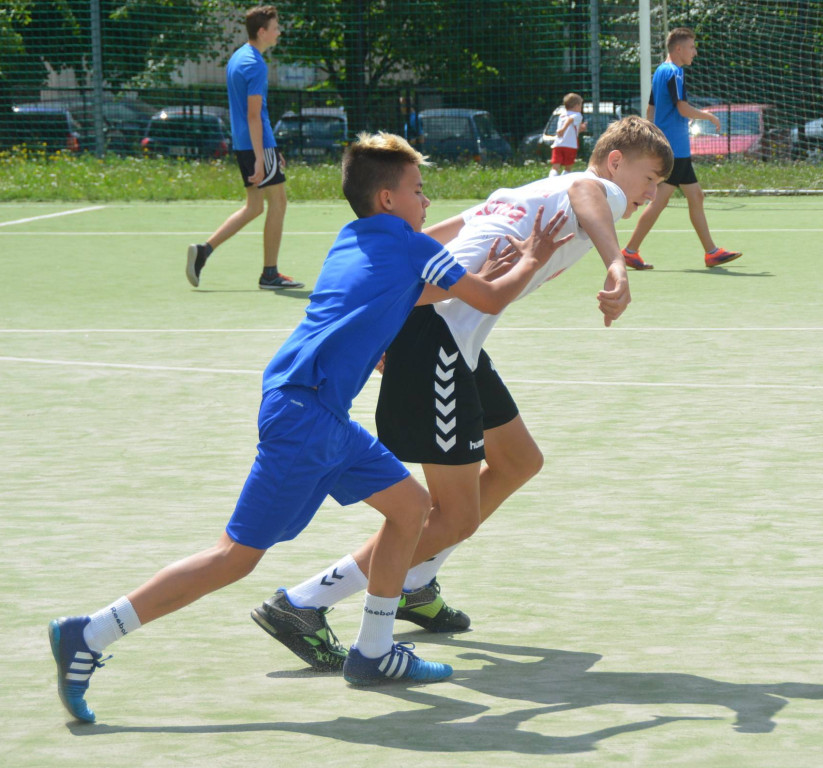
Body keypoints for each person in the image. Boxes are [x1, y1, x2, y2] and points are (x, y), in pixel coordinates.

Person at [48, 132, 573, 723]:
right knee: (234, 557)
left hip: (310, 409)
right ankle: (89, 633)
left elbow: (396, 298)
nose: (427, 200)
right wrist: (530, 256)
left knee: (410, 510)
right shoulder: (409, 243)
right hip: (307, 416)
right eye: (418, 190)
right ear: (387, 199)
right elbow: (491, 295)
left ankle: (374, 651)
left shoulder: (351, 239)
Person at [250, 116, 674, 668]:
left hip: (450, 340)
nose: (650, 192)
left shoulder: (522, 192)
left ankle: (416, 582)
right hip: (439, 345)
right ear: (616, 162)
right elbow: (588, 190)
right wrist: (617, 262)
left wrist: (389, 313)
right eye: (649, 177)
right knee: (451, 516)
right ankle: (304, 601)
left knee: (519, 460)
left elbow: (434, 235)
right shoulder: (592, 189)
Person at [186, 5, 303, 290]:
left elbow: (251, 116)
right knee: (278, 202)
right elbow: (254, 115)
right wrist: (263, 158)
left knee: (254, 207)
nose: (279, 32)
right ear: (262, 32)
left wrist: (271, 150)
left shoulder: (238, 57)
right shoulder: (255, 64)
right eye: (275, 27)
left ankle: (203, 251)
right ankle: (270, 274)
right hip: (255, 145)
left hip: (246, 143)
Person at [619, 27, 741, 271]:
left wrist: (652, 138)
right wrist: (709, 116)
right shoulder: (675, 73)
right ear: (678, 49)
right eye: (692, 47)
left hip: (670, 147)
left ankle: (632, 251)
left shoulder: (660, 72)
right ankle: (709, 252)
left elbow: (651, 110)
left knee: (683, 197)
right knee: (675, 198)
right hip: (675, 149)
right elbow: (682, 108)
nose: (695, 52)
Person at [549, 92, 587, 177]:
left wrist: (580, 129)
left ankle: (551, 180)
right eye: (580, 105)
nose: (581, 108)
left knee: (555, 167)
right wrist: (563, 129)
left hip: (558, 144)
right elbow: (570, 120)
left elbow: (572, 128)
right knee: (568, 167)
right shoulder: (577, 115)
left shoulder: (562, 114)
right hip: (570, 145)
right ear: (576, 106)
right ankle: (563, 182)